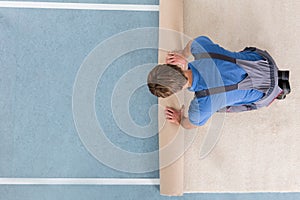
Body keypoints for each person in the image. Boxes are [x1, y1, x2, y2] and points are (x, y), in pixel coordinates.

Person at [147, 36, 287, 129]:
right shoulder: (202, 50)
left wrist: (179, 119)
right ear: (173, 66)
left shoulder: (201, 108)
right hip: (265, 62)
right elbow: (192, 43)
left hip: (268, 93)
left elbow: (189, 124)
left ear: (175, 91)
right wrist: (183, 55)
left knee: (220, 107)